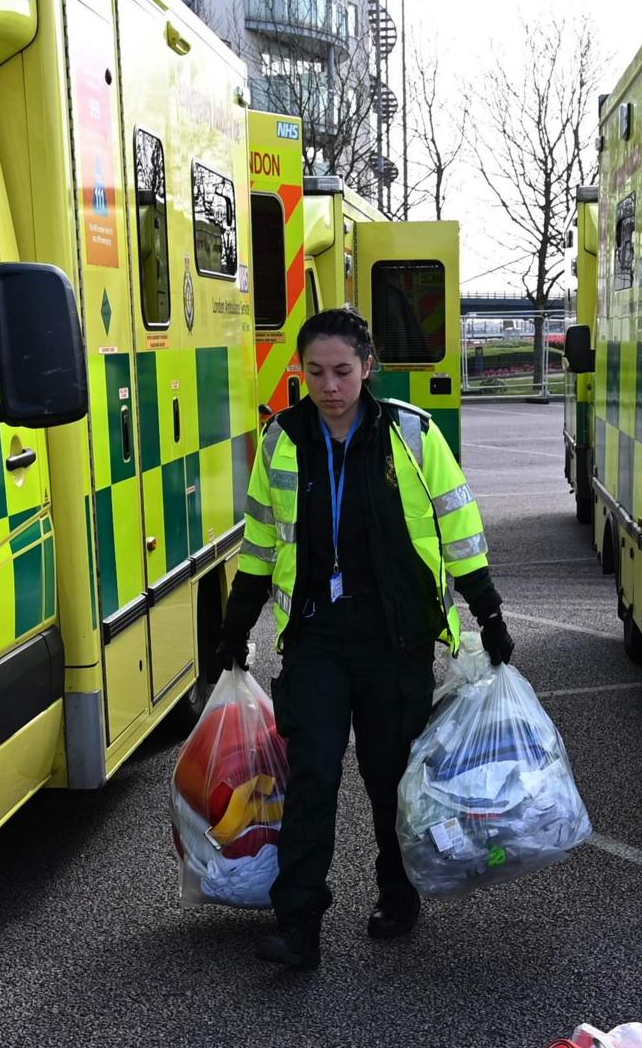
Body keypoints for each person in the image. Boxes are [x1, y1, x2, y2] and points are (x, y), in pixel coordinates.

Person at [204, 306, 513, 972]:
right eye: (314, 372)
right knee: (312, 773)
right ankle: (299, 921)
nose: (328, 386)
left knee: (388, 776)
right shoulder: (284, 440)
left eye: (342, 371)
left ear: (367, 368)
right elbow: (260, 543)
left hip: (393, 637)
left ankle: (398, 893)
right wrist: (234, 627)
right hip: (315, 635)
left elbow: (460, 527)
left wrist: (486, 611)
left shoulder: (411, 433)